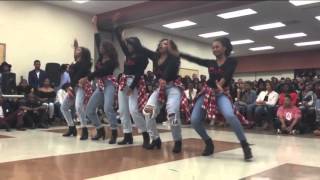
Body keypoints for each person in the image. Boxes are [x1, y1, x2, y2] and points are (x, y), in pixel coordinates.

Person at [180, 37, 253, 160]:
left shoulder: (232, 61)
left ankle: (245, 145)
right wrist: (180, 54)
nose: (214, 49)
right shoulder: (210, 63)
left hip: (222, 94)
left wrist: (221, 84)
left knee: (230, 115)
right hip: (207, 92)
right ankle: (208, 143)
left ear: (224, 48)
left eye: (217, 46)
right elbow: (195, 60)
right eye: (213, 47)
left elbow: (228, 73)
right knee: (194, 120)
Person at [142, 39, 186, 153]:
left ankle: (177, 140)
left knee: (173, 113)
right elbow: (142, 49)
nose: (163, 44)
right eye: (161, 43)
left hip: (173, 87)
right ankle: (155, 139)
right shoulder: (156, 57)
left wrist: (164, 78)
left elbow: (170, 69)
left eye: (166, 44)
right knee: (148, 112)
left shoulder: (175, 58)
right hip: (160, 89)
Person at [81, 16, 119, 143]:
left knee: (108, 108)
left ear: (108, 49)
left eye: (103, 47)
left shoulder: (112, 61)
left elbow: (101, 71)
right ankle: (100, 129)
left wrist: (87, 78)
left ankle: (114, 132)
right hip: (101, 85)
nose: (100, 48)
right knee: (89, 110)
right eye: (100, 47)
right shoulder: (101, 57)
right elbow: (98, 39)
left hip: (109, 84)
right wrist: (95, 25)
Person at [115, 27, 150, 147]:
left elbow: (140, 73)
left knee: (134, 110)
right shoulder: (128, 54)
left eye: (129, 44)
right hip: (124, 81)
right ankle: (127, 135)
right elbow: (121, 43)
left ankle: (145, 134)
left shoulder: (143, 57)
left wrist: (132, 87)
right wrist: (117, 27)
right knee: (123, 111)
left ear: (135, 45)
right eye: (127, 44)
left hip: (135, 83)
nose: (128, 46)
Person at [61, 39, 92, 139]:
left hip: (80, 87)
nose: (77, 50)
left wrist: (70, 86)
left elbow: (79, 74)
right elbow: (73, 75)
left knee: (78, 107)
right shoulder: (74, 63)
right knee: (64, 107)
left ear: (83, 53)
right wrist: (70, 87)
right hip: (73, 87)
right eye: (76, 49)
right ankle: (71, 127)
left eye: (79, 49)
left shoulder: (86, 62)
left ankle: (84, 129)